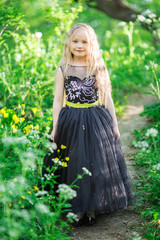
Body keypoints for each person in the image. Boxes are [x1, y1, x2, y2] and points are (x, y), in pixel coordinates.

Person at [42, 23, 133, 227]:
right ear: (69, 43)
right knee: (74, 164)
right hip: (71, 119)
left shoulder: (97, 66)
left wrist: (115, 125)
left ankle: (92, 207)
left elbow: (107, 97)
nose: (80, 45)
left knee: (95, 162)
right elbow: (58, 100)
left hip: (95, 118)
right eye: (75, 41)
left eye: (84, 41)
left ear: (91, 43)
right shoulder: (63, 68)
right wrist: (55, 126)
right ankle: (78, 208)